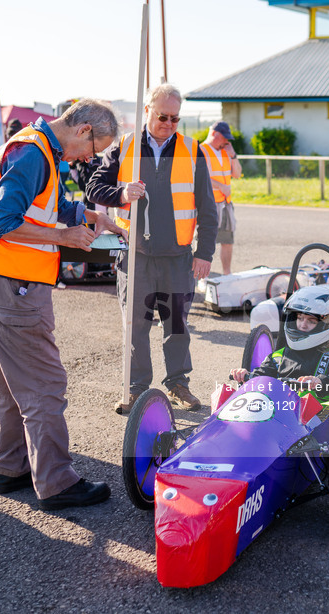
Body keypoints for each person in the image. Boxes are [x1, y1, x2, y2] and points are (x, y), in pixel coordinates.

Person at [0, 98, 123, 511]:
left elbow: (46, 205)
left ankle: (11, 467)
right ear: (84, 130)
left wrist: (92, 216)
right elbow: (4, 223)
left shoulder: (35, 148)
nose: (88, 160)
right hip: (11, 279)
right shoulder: (34, 153)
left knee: (12, 381)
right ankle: (56, 482)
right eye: (93, 151)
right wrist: (64, 237)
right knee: (44, 384)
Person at [86, 83, 218, 412]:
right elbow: (93, 187)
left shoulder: (193, 150)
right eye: (163, 116)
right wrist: (120, 194)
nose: (169, 124)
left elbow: (208, 208)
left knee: (176, 326)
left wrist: (205, 253)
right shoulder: (125, 146)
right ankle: (135, 389)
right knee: (137, 326)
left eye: (175, 118)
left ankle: (177, 385)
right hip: (136, 256)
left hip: (177, 257)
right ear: (147, 111)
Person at [230, 287, 329, 405]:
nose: (303, 325)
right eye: (300, 318)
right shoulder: (278, 356)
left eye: (311, 321)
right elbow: (262, 377)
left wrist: (320, 382)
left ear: (325, 324)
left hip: (315, 419)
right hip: (280, 414)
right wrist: (246, 375)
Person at [199, 121, 241, 275]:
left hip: (225, 204)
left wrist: (233, 155)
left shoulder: (226, 151)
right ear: (215, 134)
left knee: (227, 241)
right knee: (204, 243)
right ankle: (201, 277)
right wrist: (220, 186)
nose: (226, 141)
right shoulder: (201, 150)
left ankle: (226, 274)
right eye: (224, 138)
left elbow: (236, 174)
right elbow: (198, 177)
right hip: (207, 204)